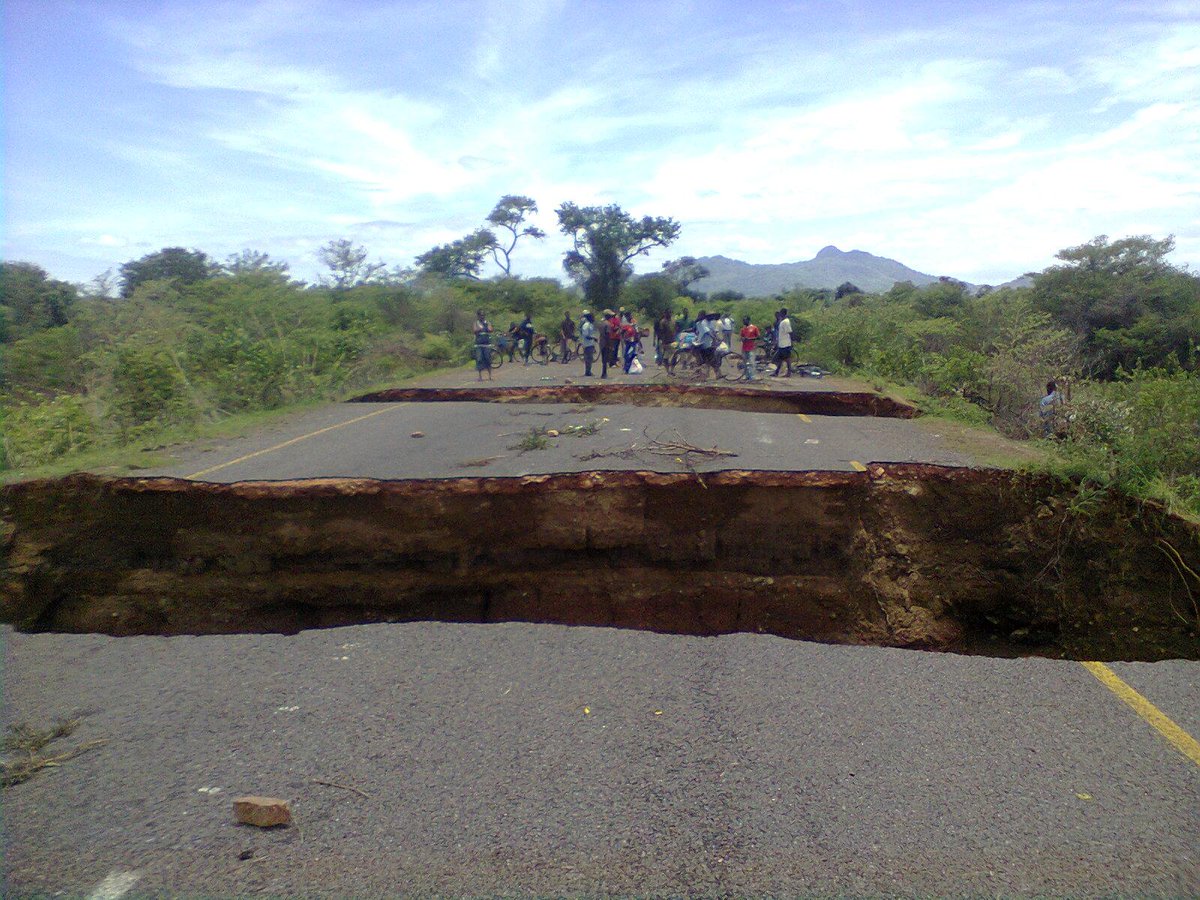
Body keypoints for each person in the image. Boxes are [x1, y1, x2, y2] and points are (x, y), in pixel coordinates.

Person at [472, 309, 493, 381]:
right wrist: (482, 329)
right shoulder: (476, 323)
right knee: (479, 359)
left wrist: (483, 328)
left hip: (487, 344)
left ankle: (490, 376)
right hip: (478, 344)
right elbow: (474, 330)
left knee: (488, 358)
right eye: (481, 315)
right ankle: (480, 376)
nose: (482, 316)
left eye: (483, 315)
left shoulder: (488, 322)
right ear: (478, 316)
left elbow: (490, 329)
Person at [772, 307, 793, 377]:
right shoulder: (782, 321)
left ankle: (789, 372)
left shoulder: (786, 322)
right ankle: (777, 372)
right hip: (782, 344)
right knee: (780, 359)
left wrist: (791, 342)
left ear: (782, 313)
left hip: (785, 344)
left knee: (787, 358)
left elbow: (789, 332)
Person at [739, 315, 760, 381]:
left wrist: (750, 339)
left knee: (751, 362)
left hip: (752, 347)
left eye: (744, 320)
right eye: (743, 320)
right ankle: (746, 375)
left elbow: (758, 336)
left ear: (748, 320)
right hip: (744, 347)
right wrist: (743, 339)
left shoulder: (754, 328)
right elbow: (741, 337)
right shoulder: (743, 329)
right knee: (745, 363)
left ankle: (752, 376)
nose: (743, 321)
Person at [579, 311, 597, 376]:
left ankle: (588, 371)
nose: (594, 318)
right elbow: (586, 335)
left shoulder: (590, 324)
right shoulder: (586, 325)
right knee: (588, 358)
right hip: (587, 344)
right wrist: (593, 338)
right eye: (592, 317)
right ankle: (587, 372)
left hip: (590, 343)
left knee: (590, 358)